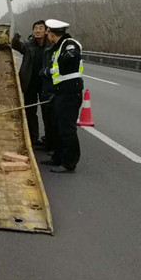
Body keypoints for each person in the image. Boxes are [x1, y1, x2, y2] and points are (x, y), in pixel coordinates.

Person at [39, 19, 84, 173]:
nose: (47, 36)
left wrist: (68, 57)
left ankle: (69, 163)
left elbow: (72, 56)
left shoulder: (69, 44)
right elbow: (57, 68)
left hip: (70, 92)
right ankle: (57, 157)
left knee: (67, 129)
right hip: (60, 92)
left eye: (48, 33)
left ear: (52, 34)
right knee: (57, 127)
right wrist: (47, 72)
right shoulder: (57, 48)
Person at [12, 20, 48, 146]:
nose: (38, 30)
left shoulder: (51, 45)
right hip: (30, 82)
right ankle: (33, 137)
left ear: (46, 31)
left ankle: (49, 139)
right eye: (35, 28)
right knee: (30, 111)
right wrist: (16, 38)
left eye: (40, 28)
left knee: (47, 111)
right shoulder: (28, 44)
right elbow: (16, 46)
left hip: (45, 83)